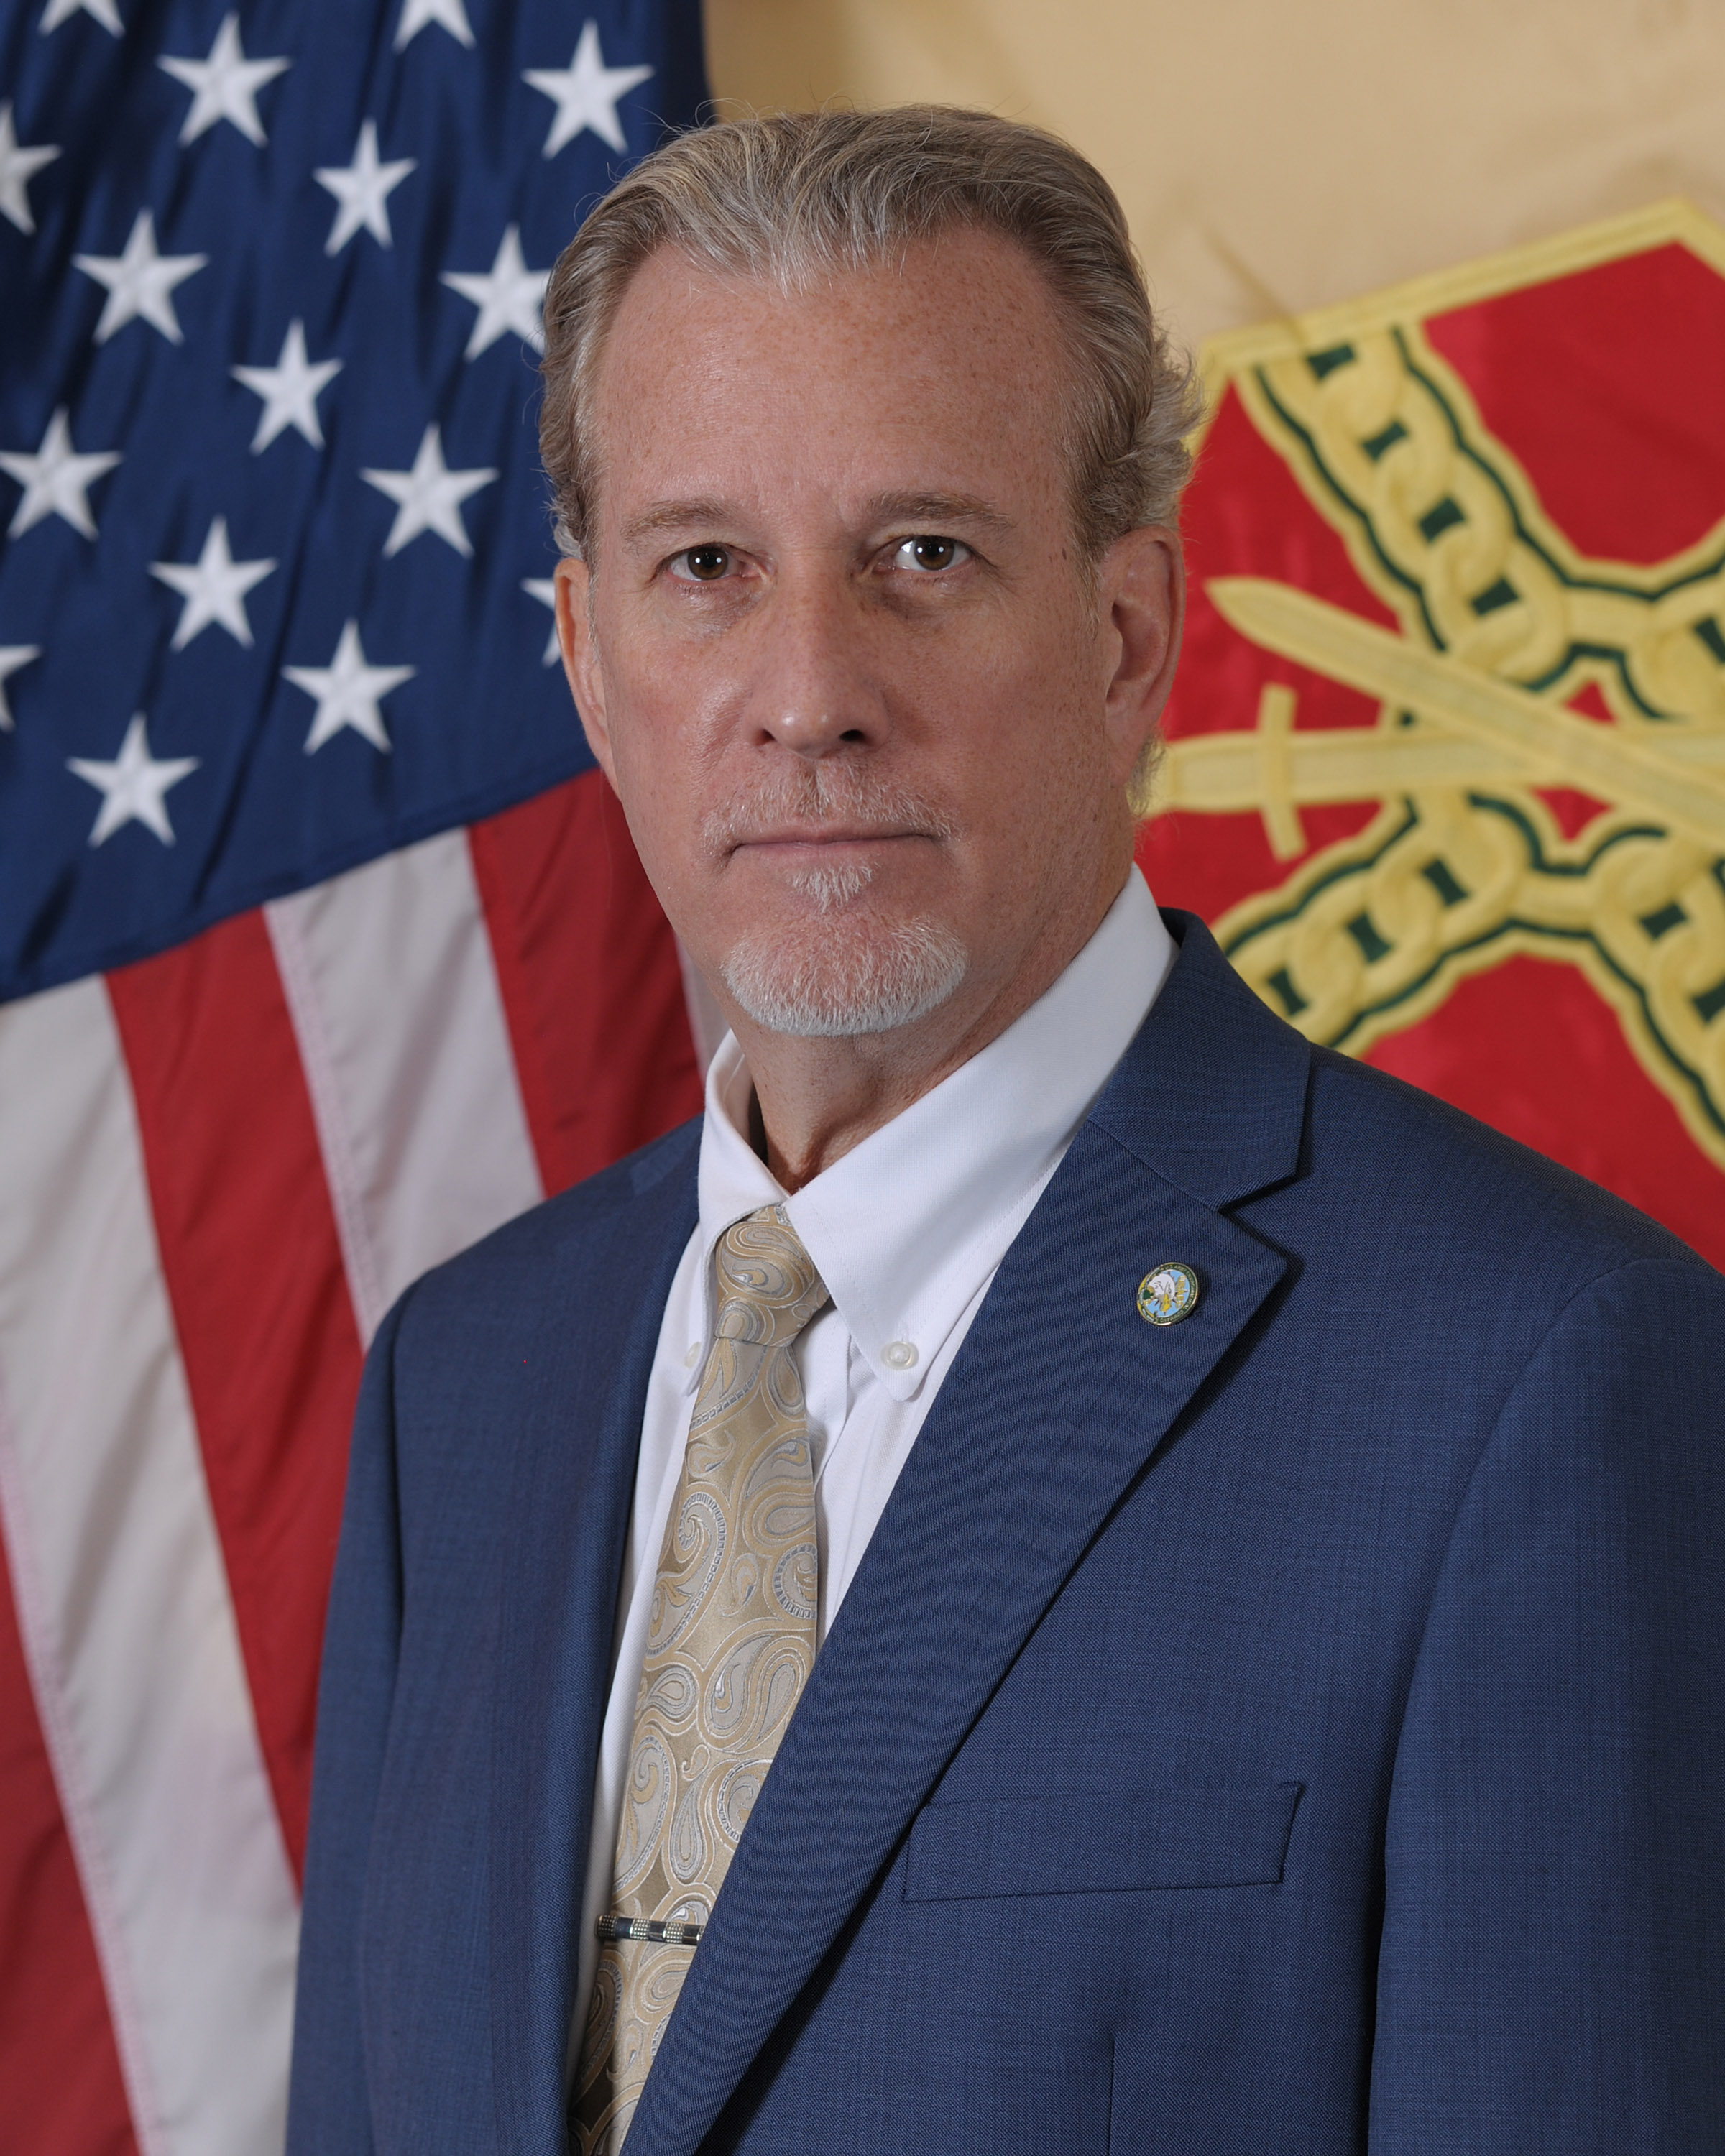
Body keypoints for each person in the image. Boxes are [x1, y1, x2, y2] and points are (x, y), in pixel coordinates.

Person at [285, 108, 1725, 2156]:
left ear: (1129, 637)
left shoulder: (1539, 1376)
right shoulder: (467, 1382)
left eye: (924, 558)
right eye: (705, 568)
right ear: (589, 661)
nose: (809, 693)